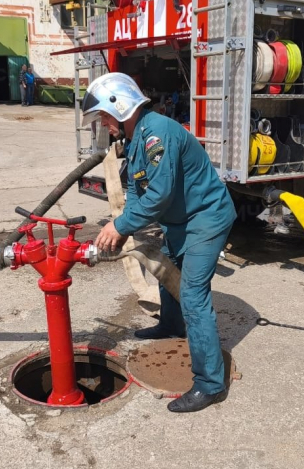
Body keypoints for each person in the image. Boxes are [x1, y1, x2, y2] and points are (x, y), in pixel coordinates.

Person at [86, 73, 236, 413]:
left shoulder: (157, 134)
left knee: (193, 296)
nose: (104, 124)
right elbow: (139, 194)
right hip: (182, 220)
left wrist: (120, 226)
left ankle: (210, 385)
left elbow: (159, 195)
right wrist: (122, 228)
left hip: (207, 218)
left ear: (120, 106)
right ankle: (170, 324)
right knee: (166, 267)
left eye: (105, 116)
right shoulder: (136, 139)